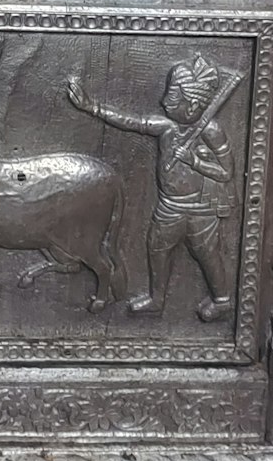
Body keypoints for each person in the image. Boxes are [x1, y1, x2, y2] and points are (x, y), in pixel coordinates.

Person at [67, 55, 237, 322]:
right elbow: (133, 121)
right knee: (157, 248)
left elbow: (226, 173)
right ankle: (157, 299)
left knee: (207, 253)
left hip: (201, 209)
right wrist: (93, 107)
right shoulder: (167, 127)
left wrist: (194, 160)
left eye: (172, 98)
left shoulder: (211, 131)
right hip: (170, 205)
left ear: (192, 105)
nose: (163, 102)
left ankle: (222, 300)